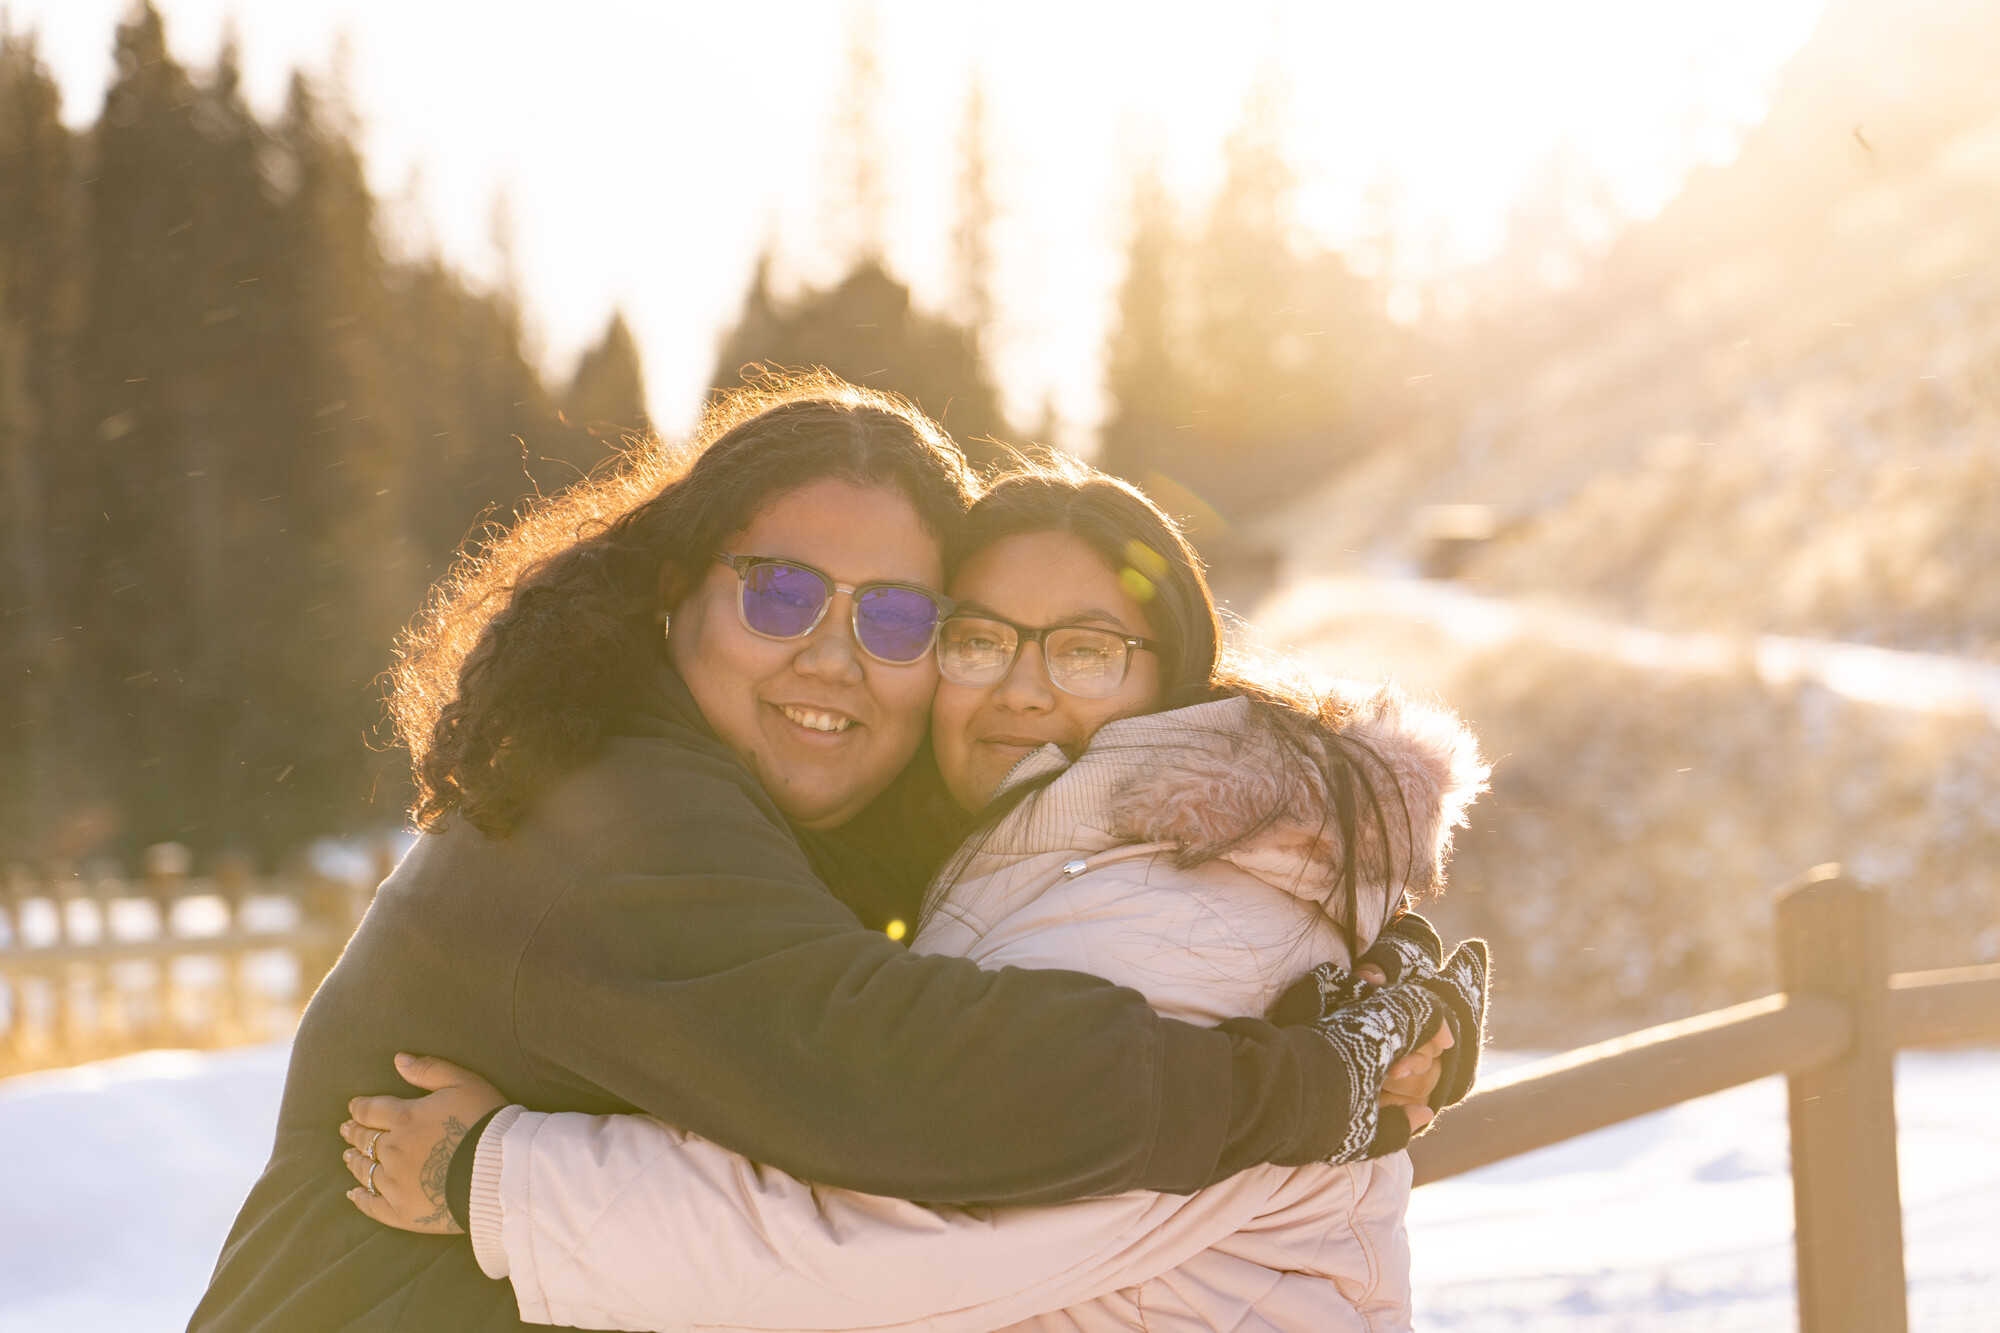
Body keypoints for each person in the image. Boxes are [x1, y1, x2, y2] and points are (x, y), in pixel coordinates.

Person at [190, 376, 1478, 1333]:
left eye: (905, 619)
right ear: (671, 590)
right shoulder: (612, 815)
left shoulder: (817, 818)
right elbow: (896, 1083)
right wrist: (1319, 1087)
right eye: (782, 592)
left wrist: (1366, 930)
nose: (834, 656)